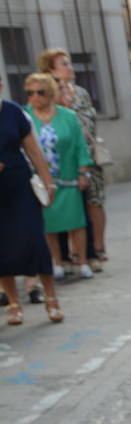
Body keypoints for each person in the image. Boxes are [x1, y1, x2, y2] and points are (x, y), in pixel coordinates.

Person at [1, 74, 61, 325]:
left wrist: (47, 181)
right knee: (1, 247)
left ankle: (51, 297)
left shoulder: (14, 113)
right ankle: (14, 303)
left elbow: (33, 150)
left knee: (35, 240)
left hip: (20, 186)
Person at [39, 48, 107, 267]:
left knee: (92, 203)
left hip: (86, 156)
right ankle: (66, 256)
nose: (71, 67)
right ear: (51, 69)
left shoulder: (81, 93)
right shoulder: (45, 93)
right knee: (61, 207)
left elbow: (90, 122)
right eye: (64, 64)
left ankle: (93, 250)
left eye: (69, 63)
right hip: (59, 161)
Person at [25, 73, 94, 283]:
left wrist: (84, 171)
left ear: (51, 93)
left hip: (67, 177)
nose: (35, 97)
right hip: (41, 182)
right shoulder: (25, 116)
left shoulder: (67, 116)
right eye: (30, 93)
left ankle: (82, 261)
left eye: (40, 92)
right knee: (49, 224)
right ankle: (57, 262)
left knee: (76, 221)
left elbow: (80, 146)